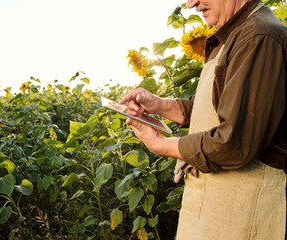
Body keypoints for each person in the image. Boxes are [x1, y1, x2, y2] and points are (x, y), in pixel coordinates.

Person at [118, 0, 287, 239]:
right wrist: (161, 105)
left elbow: (234, 141)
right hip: (213, 201)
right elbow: (217, 104)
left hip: (242, 208)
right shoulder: (234, 33)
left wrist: (161, 145)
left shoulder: (259, 36)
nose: (191, 4)